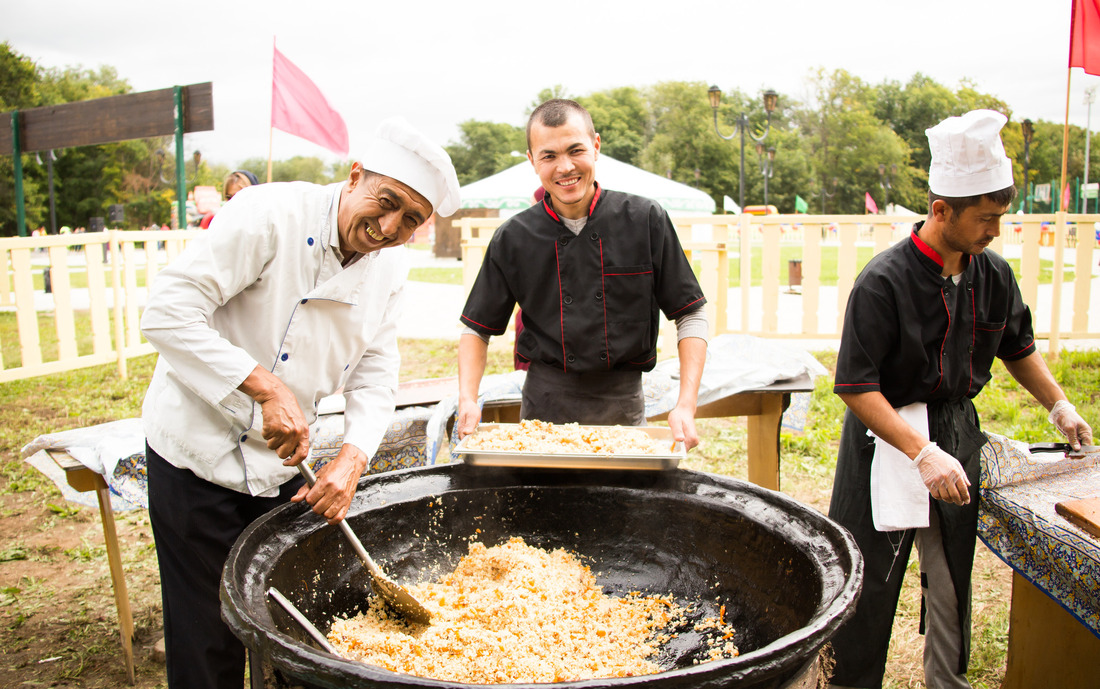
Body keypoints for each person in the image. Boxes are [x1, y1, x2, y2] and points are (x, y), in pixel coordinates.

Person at [140, 117, 459, 689]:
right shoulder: (268, 215)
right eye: (384, 203)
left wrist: (355, 456)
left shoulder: (392, 265)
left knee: (293, 627)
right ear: (355, 175)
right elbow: (166, 311)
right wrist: (262, 385)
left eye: (411, 220)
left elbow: (376, 371)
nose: (388, 227)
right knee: (206, 635)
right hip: (198, 450)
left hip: (287, 460)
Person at [827, 110, 1093, 689]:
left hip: (955, 429)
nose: (994, 230)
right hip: (885, 439)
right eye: (987, 218)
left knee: (950, 571)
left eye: (1000, 218)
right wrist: (919, 452)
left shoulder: (993, 273)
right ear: (941, 210)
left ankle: (946, 680)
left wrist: (1059, 404)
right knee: (868, 579)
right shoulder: (883, 282)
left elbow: (1016, 345)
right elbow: (855, 385)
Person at [456, 99, 708, 447]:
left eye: (576, 150)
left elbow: (690, 312)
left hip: (624, 408)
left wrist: (686, 404)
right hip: (543, 409)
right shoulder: (513, 238)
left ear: (596, 146)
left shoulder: (645, 219)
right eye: (549, 156)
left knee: (623, 500)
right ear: (532, 161)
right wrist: (468, 398)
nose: (564, 167)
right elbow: (476, 329)